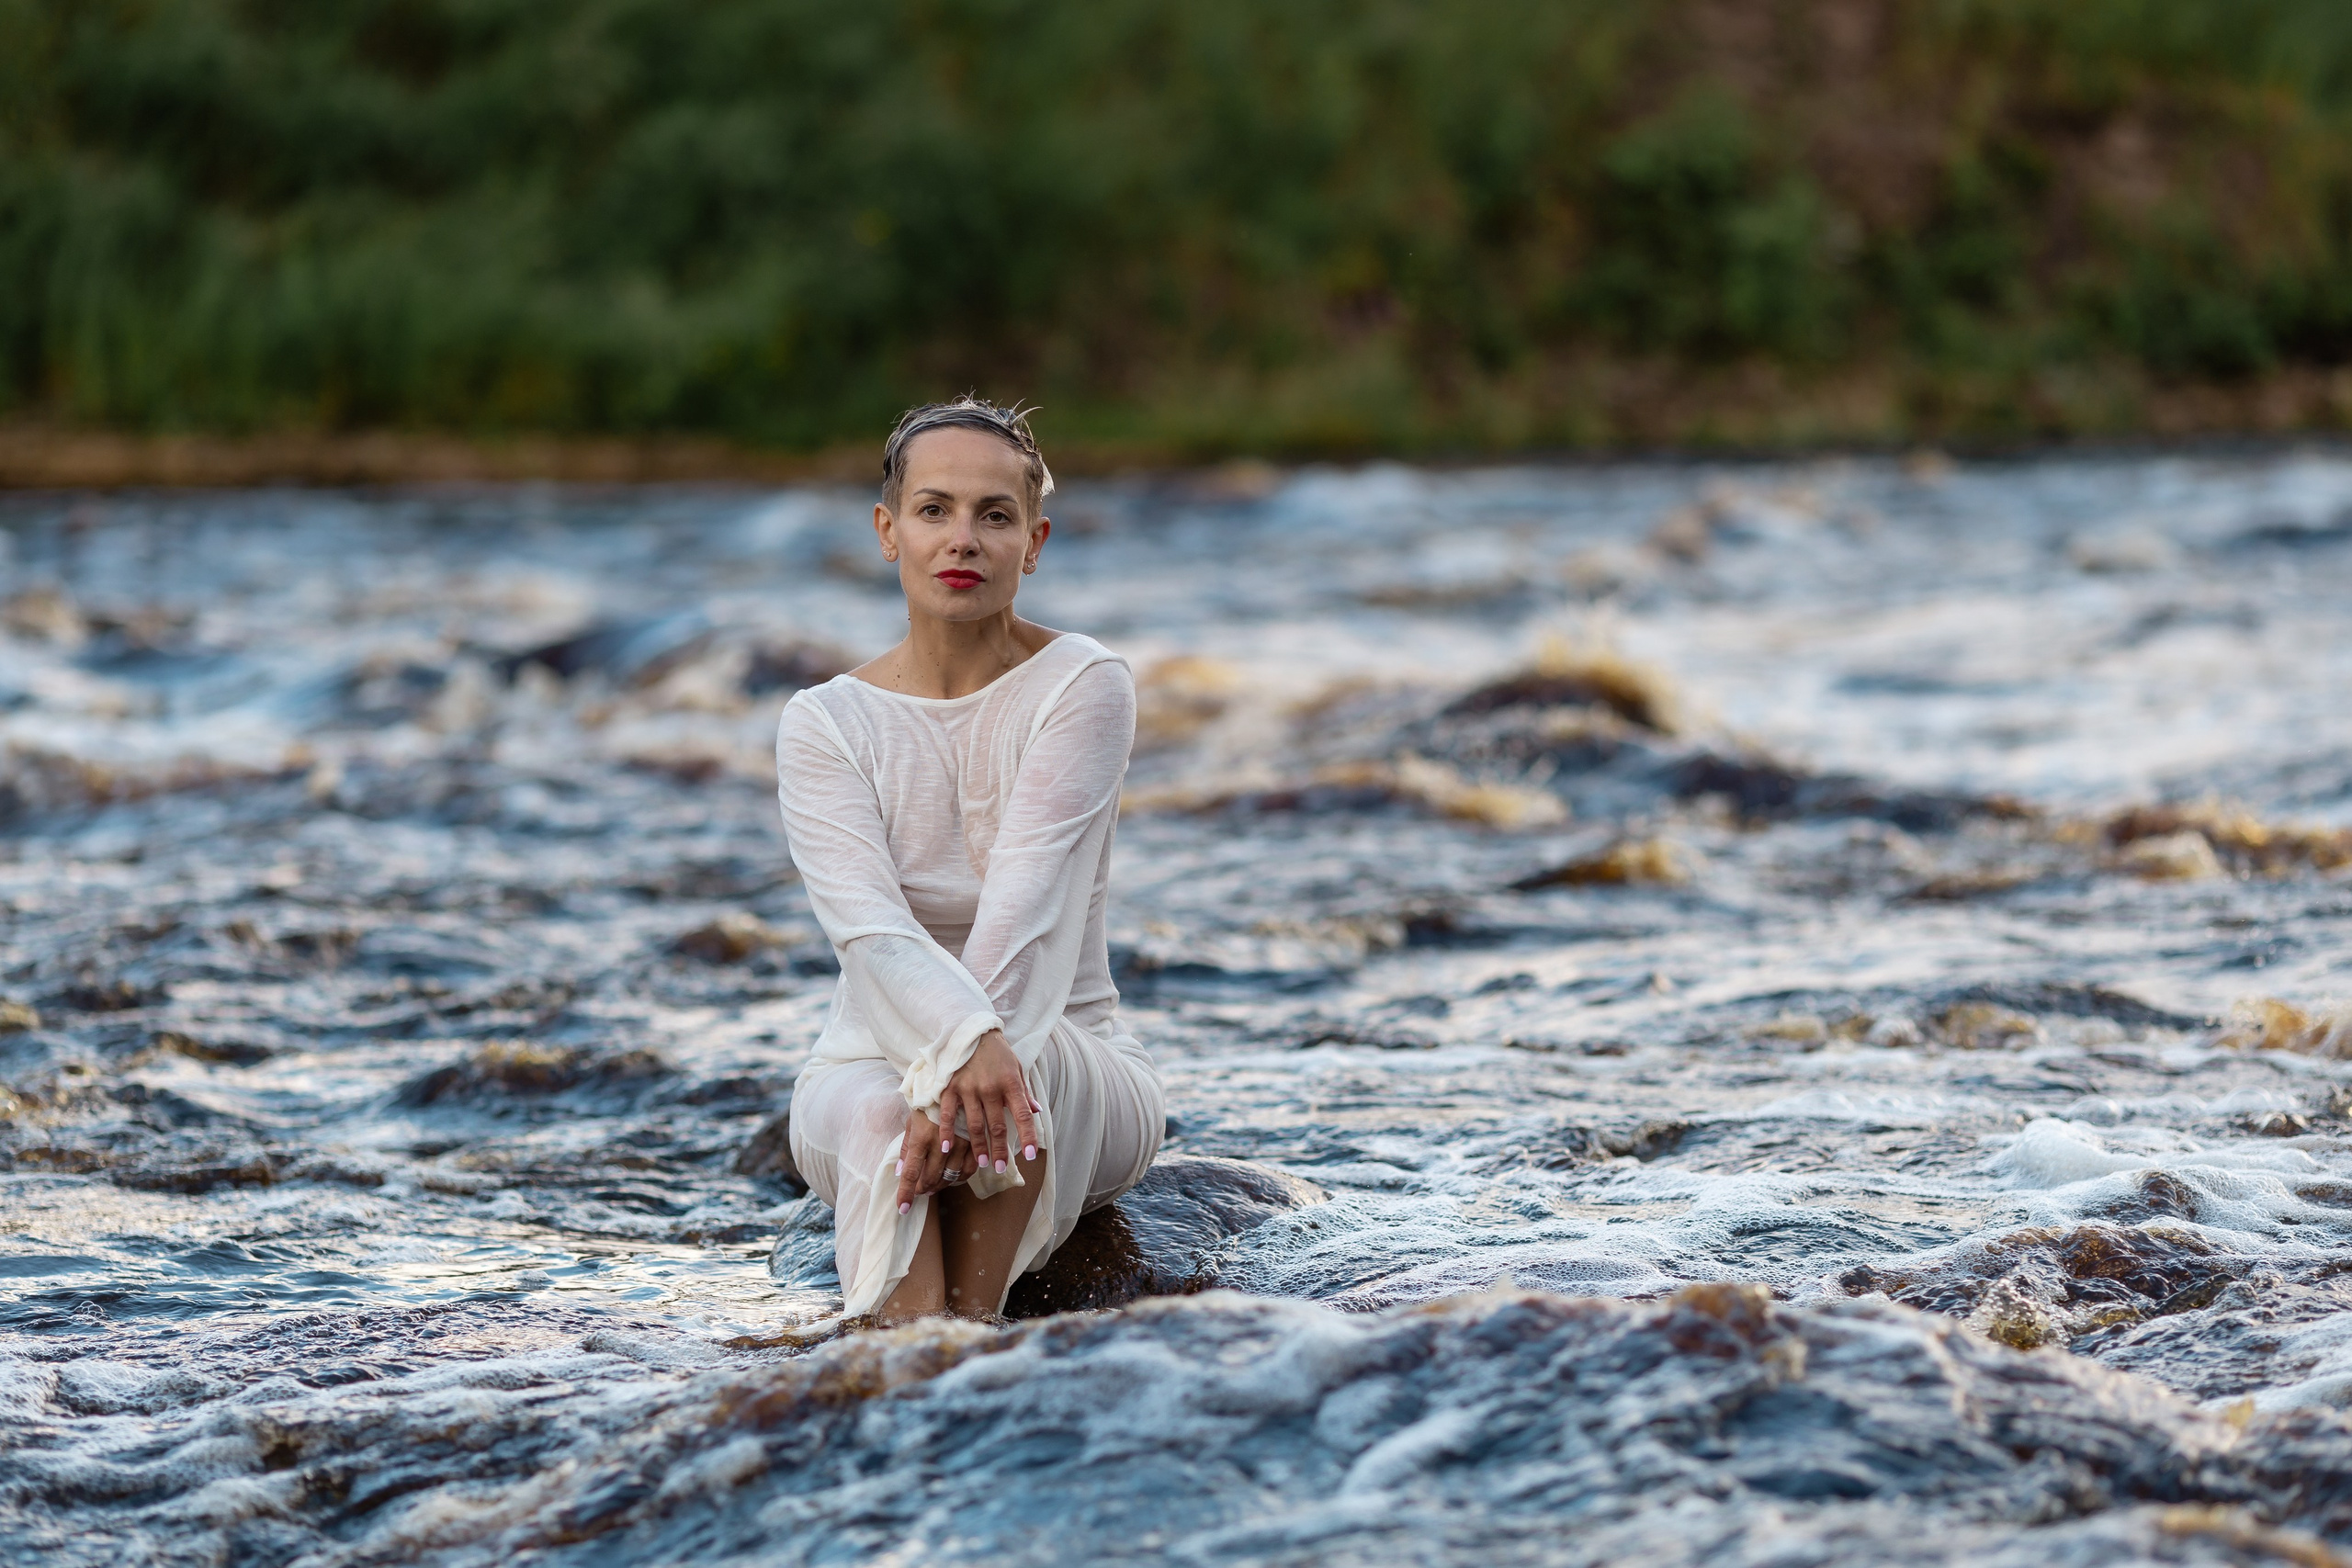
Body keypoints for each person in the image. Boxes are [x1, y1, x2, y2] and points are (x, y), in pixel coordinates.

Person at [775, 398, 1164, 1322]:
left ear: (1034, 542)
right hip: (866, 1059)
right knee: (877, 1119)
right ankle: (915, 1370)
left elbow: (1026, 910)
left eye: (995, 516)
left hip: (1069, 1056)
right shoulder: (823, 722)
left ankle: (969, 1337)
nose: (964, 539)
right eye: (934, 510)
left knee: (1018, 1073)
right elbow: (867, 930)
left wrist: (966, 1059)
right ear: (887, 530)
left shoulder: (1081, 683)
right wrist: (952, 1058)